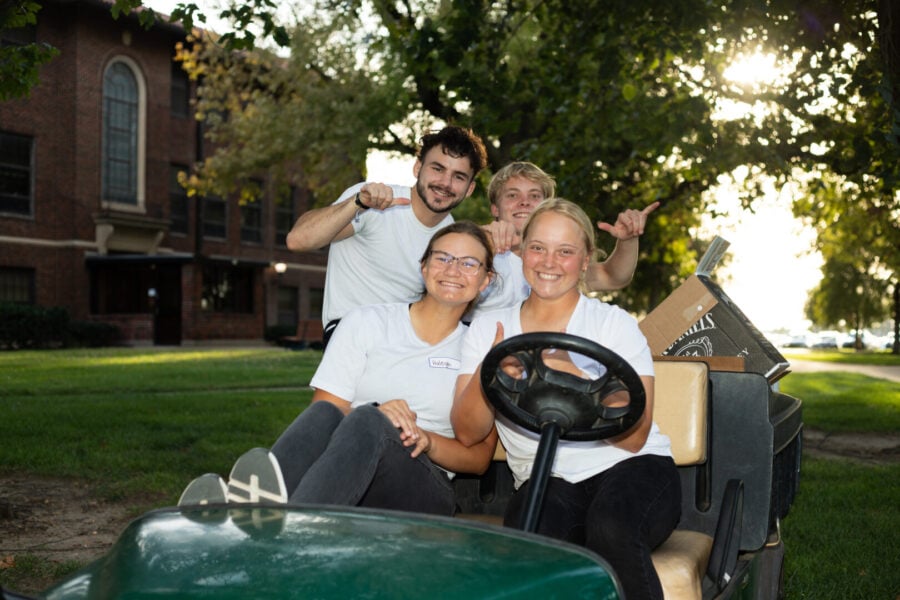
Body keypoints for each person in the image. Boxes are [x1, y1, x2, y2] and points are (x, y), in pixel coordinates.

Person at [180, 221, 499, 516]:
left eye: (469, 263)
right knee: (330, 414)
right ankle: (261, 513)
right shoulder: (367, 322)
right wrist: (378, 416)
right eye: (442, 257)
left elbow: (479, 459)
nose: (453, 270)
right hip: (347, 467)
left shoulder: (481, 347)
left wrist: (422, 437)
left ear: (486, 280)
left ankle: (274, 520)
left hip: (423, 484)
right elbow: (323, 420)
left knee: (369, 418)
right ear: (424, 266)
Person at [451, 198, 680, 600]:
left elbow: (634, 438)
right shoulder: (489, 328)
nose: (549, 262)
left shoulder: (615, 325)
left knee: (611, 526)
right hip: (547, 478)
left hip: (632, 469)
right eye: (538, 247)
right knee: (530, 538)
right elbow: (468, 433)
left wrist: (572, 374)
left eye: (566, 251)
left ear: (587, 259)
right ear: (521, 251)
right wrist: (493, 377)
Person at [286, 126, 488, 347]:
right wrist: (357, 204)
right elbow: (298, 240)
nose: (445, 183)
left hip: (410, 340)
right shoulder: (373, 201)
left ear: (469, 189)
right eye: (437, 169)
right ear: (418, 168)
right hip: (353, 335)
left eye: (458, 177)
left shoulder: (451, 237)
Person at [473, 161, 659, 317]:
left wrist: (628, 240)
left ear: (546, 206)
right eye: (513, 195)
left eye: (534, 196)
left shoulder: (560, 263)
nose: (524, 202)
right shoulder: (476, 248)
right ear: (495, 209)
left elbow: (614, 277)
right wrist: (481, 242)